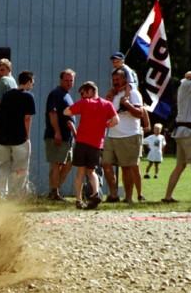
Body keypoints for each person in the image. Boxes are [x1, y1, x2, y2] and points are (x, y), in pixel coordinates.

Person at [64, 81, 119, 209]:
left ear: (91, 91)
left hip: (82, 142)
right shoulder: (107, 104)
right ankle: (95, 193)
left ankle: (78, 200)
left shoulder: (85, 103)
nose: (83, 96)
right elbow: (116, 120)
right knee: (92, 171)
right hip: (96, 144)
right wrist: (106, 124)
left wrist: (78, 108)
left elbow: (66, 112)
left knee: (80, 173)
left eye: (84, 93)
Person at [0, 71, 36, 199]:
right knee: (20, 169)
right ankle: (16, 196)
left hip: (3, 137)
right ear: (28, 82)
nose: (32, 85)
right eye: (32, 82)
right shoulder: (28, 97)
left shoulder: (7, 95)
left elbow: (0, 113)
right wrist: (27, 136)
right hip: (19, 138)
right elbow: (27, 118)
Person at [102, 68, 144, 203]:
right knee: (106, 164)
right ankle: (114, 194)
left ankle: (128, 197)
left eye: (118, 79)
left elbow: (139, 113)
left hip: (129, 135)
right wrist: (107, 99)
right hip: (112, 135)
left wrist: (127, 104)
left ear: (125, 79)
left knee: (126, 167)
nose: (115, 82)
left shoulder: (133, 93)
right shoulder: (113, 95)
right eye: (113, 80)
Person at [162, 68, 191, 203]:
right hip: (189, 132)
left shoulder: (184, 84)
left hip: (181, 131)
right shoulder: (189, 84)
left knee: (180, 166)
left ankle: (168, 196)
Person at [44, 69, 77, 201]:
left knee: (68, 163)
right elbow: (53, 113)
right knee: (56, 164)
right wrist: (57, 131)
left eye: (71, 80)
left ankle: (55, 189)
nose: (69, 83)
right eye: (66, 80)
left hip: (67, 137)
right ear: (60, 80)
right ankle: (54, 192)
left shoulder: (67, 95)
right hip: (56, 136)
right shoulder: (56, 94)